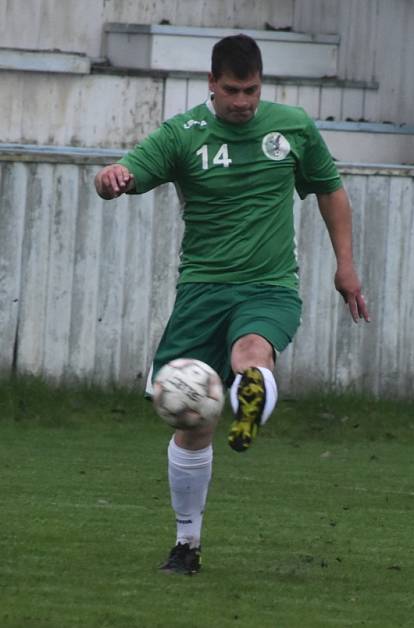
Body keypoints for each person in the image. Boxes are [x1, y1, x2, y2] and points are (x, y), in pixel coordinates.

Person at [94, 34, 370, 574]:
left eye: (252, 90)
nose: (243, 101)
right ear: (211, 85)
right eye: (232, 91)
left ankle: (249, 402)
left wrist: (346, 266)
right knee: (193, 423)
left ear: (261, 85)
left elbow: (330, 190)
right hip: (201, 291)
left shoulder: (292, 126)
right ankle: (187, 545)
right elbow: (124, 177)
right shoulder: (183, 133)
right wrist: (110, 181)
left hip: (269, 287)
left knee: (251, 353)